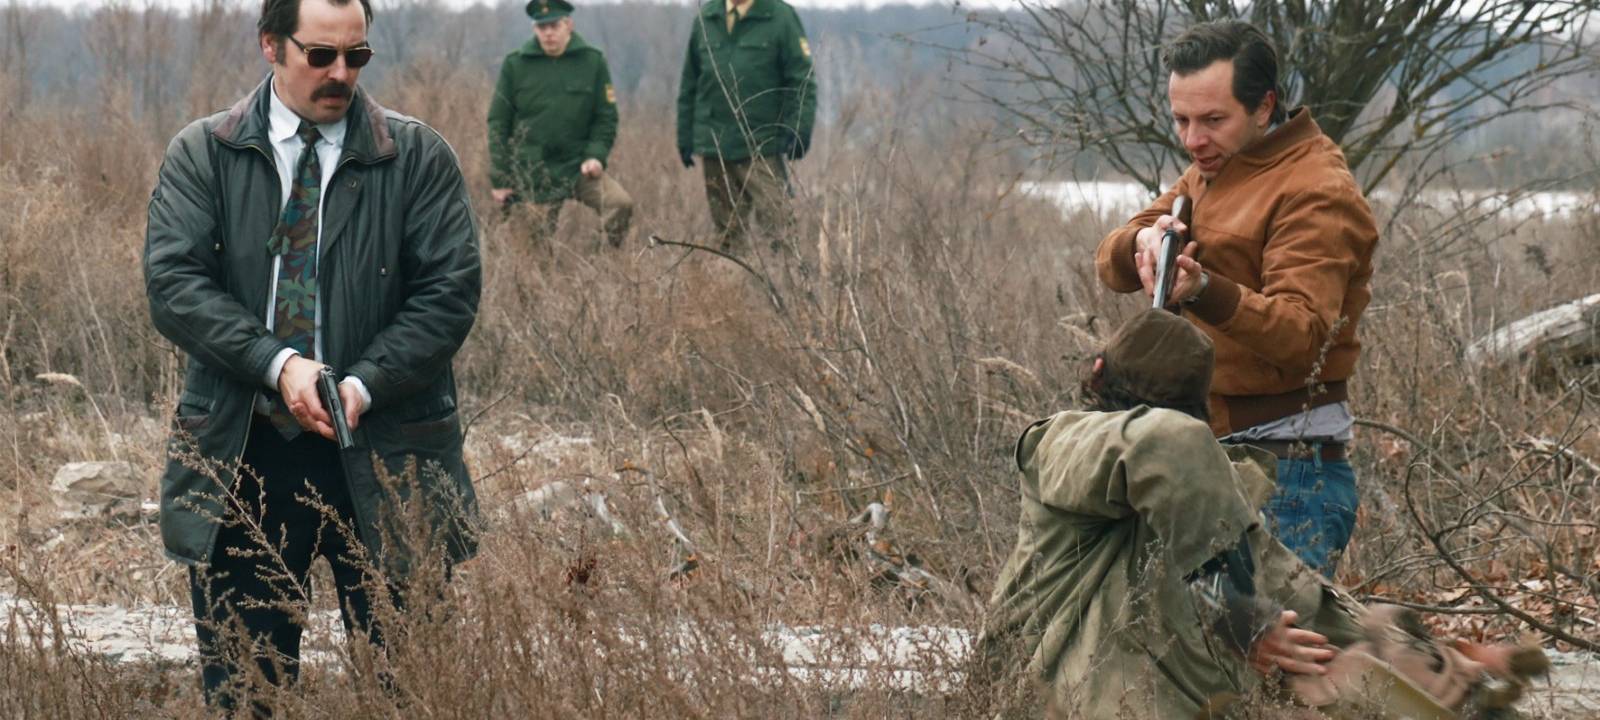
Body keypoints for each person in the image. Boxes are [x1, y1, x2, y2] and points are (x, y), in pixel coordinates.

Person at [143, 0, 482, 710]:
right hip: (246, 453)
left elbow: (448, 295)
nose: (340, 74)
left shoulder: (416, 156)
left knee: (410, 690)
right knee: (247, 692)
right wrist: (278, 364)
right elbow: (174, 285)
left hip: (390, 450)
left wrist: (362, 383)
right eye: (319, 56)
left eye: (356, 56)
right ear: (270, 45)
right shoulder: (206, 152)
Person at [975, 310, 1545, 719]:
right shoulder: (1063, 444)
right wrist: (1237, 614)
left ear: (1097, 373)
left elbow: (1297, 603)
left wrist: (1434, 664)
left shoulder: (1206, 507)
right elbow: (1164, 443)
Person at [1093, 20, 1379, 577]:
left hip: (1288, 473)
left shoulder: (1316, 189)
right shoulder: (1216, 166)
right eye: (1181, 119)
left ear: (1264, 106)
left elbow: (1303, 336)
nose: (1192, 138)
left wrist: (1202, 289)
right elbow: (1110, 260)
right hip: (1210, 456)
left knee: (1271, 657)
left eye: (1212, 120)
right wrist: (1143, 242)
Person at [488, 0, 632, 247]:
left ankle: (600, 262)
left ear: (568, 25)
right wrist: (501, 179)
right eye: (541, 27)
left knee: (619, 204)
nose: (548, 33)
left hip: (579, 165)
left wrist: (595, 156)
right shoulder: (516, 64)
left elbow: (605, 118)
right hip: (533, 170)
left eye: (554, 25)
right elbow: (498, 123)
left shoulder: (592, 61)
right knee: (534, 251)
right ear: (534, 29)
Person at [675, 0, 816, 251]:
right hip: (715, 143)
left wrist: (799, 129)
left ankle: (786, 286)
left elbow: (801, 80)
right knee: (728, 233)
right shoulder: (706, 18)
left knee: (780, 226)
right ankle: (735, 285)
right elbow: (689, 84)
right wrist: (685, 135)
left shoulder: (780, 16)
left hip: (762, 144)